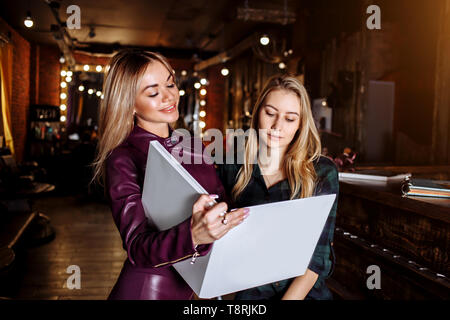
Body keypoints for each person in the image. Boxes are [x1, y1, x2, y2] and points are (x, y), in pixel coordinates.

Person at [92, 49, 249, 300]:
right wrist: (193, 234)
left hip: (190, 288)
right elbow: (136, 247)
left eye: (170, 84)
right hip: (147, 291)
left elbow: (222, 204)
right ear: (129, 103)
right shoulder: (123, 157)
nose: (169, 96)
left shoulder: (192, 145)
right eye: (153, 92)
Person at [218, 75, 338, 300]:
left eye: (290, 119)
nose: (277, 126)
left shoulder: (322, 172)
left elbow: (317, 257)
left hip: (304, 294)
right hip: (250, 294)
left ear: (301, 124)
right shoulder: (233, 166)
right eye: (270, 113)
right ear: (257, 113)